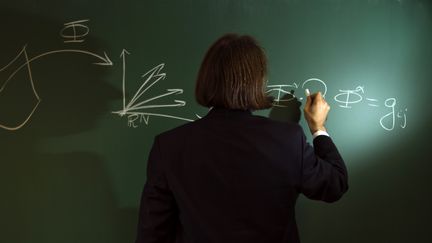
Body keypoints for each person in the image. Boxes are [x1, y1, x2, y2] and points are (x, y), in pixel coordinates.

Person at [135, 34, 348, 243]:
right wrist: (318, 127)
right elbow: (334, 185)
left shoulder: (170, 146)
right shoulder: (289, 140)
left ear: (207, 79)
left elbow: (152, 234)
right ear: (257, 81)